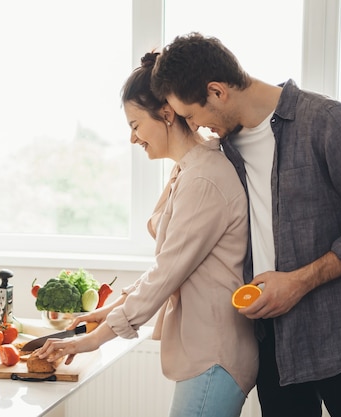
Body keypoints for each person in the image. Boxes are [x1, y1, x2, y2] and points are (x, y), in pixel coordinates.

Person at [150, 32, 341, 417]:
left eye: (192, 115)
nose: (197, 127)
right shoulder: (228, 149)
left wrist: (299, 280)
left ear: (217, 92)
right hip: (277, 343)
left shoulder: (330, 122)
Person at [38, 52, 258, 417]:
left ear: (167, 115)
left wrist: (96, 338)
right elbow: (171, 266)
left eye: (136, 124)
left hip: (215, 355)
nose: (132, 138)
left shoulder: (203, 178)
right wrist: (108, 310)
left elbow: (165, 273)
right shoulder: (189, 171)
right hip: (207, 352)